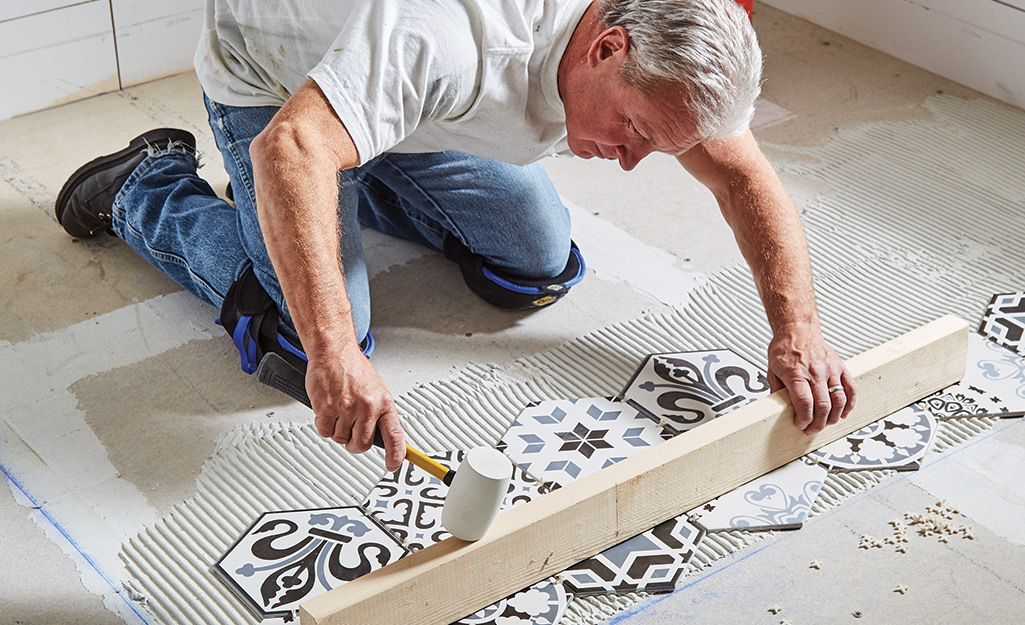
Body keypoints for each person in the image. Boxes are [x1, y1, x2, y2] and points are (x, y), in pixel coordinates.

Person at [54, 0, 856, 474]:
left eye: (658, 146)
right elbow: (290, 147)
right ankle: (145, 184)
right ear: (605, 47)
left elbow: (743, 176)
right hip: (272, 85)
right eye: (633, 130)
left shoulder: (668, 47)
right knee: (310, 347)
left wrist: (799, 330)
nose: (630, 163)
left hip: (413, 105)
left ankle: (340, 173)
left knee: (536, 266)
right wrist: (338, 354)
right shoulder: (454, 36)